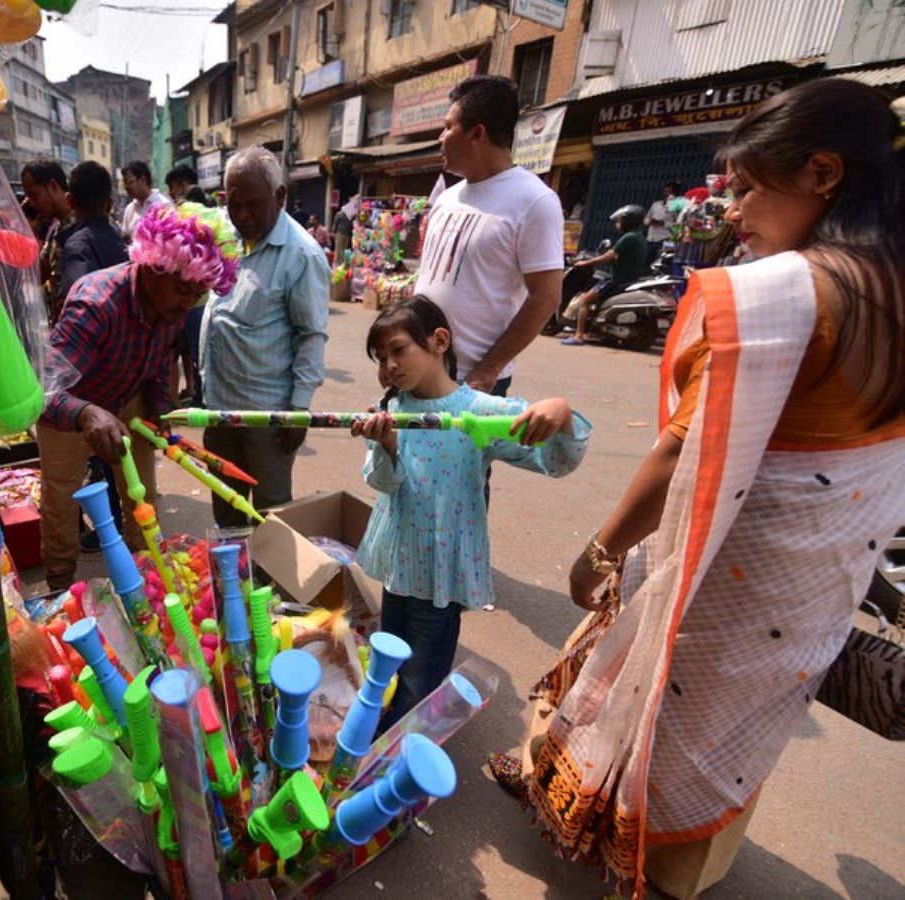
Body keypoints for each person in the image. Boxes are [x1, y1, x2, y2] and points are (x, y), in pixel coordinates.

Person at [492, 79, 905, 900]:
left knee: (652, 712)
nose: (732, 209)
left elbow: (683, 451)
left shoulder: (792, 298)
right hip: (809, 588)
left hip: (720, 577)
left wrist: (599, 549)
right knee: (732, 732)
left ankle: (631, 856)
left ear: (823, 173)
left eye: (751, 186)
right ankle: (671, 866)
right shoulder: (890, 287)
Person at [352, 296, 591, 730]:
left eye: (398, 350)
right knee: (389, 660)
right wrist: (385, 445)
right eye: (381, 358)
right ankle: (385, 741)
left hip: (440, 571)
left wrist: (562, 411)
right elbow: (384, 483)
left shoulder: (477, 413)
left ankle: (407, 761)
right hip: (398, 564)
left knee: (422, 680)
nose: (389, 366)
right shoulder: (390, 411)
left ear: (439, 341)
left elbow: (555, 461)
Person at [38, 205, 240, 590]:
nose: (187, 305)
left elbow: (160, 361)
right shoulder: (95, 305)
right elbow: (45, 390)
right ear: (152, 265)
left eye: (197, 296)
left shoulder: (175, 304)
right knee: (60, 504)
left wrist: (161, 408)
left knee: (142, 496)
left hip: (127, 398)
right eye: (183, 291)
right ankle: (59, 586)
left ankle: (149, 577)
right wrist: (85, 414)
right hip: (69, 409)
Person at [200, 146, 330, 525]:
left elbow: (311, 336)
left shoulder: (301, 255)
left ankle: (272, 583)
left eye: (254, 205)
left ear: (279, 197)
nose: (243, 216)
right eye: (235, 205)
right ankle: (233, 580)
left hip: (268, 417)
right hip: (220, 408)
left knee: (271, 513)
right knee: (226, 506)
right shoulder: (229, 237)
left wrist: (298, 411)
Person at [414, 76, 563, 396]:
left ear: (476, 133)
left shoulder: (534, 201)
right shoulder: (446, 198)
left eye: (448, 127)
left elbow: (546, 297)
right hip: (420, 371)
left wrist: (489, 369)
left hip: (473, 383)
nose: (440, 138)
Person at [57, 160, 131, 552]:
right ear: (110, 200)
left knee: (98, 458)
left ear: (69, 200)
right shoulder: (118, 240)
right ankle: (115, 529)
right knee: (116, 458)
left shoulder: (78, 244)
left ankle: (105, 529)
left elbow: (77, 295)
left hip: (86, 372)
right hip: (119, 365)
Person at [561, 204, 648, 346]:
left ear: (628, 221)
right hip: (630, 278)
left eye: (620, 220)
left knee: (584, 300)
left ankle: (579, 335)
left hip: (618, 279)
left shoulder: (628, 237)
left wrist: (586, 263)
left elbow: (609, 256)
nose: (618, 223)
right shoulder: (640, 238)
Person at [59, 161, 128, 302]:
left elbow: (81, 306)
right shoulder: (122, 241)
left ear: (69, 201)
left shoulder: (77, 246)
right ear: (110, 204)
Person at [20, 158, 72, 326]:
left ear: (53, 187)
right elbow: (37, 275)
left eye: (34, 195)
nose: (32, 204)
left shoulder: (83, 226)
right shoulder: (55, 232)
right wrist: (29, 230)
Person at [120, 161, 170, 240]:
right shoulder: (129, 209)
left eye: (129, 182)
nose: (126, 187)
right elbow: (126, 237)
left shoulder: (163, 205)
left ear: (143, 180)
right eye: (124, 183)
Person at [646, 181, 682, 261]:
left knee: (664, 262)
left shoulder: (678, 208)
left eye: (669, 192)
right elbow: (646, 219)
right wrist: (649, 222)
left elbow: (679, 227)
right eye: (665, 191)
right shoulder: (656, 204)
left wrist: (663, 223)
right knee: (647, 261)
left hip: (667, 239)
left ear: (675, 193)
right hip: (651, 239)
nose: (666, 194)